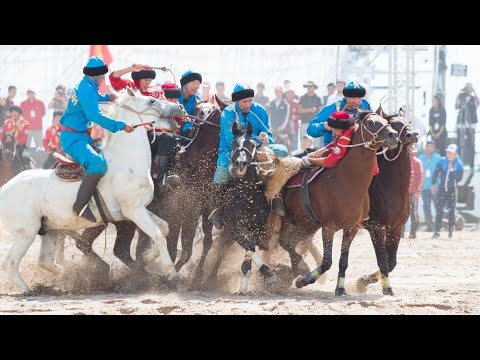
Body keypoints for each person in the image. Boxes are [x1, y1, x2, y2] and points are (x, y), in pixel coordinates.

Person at [59, 56, 135, 223]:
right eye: (101, 76)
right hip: (73, 139)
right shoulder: (86, 89)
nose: (103, 79)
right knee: (98, 163)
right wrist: (121, 125)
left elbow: (93, 98)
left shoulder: (86, 86)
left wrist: (108, 97)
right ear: (94, 75)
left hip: (80, 135)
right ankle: (79, 206)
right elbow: (95, 115)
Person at [210, 84, 289, 229]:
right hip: (231, 149)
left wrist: (265, 141)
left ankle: (276, 197)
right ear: (236, 102)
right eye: (244, 102)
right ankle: (215, 208)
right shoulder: (228, 113)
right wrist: (255, 143)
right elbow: (231, 138)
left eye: (250, 100)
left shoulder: (260, 110)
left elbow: (268, 134)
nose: (248, 104)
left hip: (258, 148)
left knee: (281, 151)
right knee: (222, 169)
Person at [302, 111, 378, 176]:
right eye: (332, 129)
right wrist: (323, 149)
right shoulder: (353, 126)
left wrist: (309, 160)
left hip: (365, 173)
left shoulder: (344, 140)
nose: (334, 132)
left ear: (343, 127)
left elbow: (329, 162)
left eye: (335, 129)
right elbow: (336, 141)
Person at [307, 81, 371, 147]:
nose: (356, 101)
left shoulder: (365, 105)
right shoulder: (332, 108)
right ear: (346, 97)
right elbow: (310, 129)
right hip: (334, 149)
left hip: (360, 149)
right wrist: (325, 126)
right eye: (352, 98)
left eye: (359, 98)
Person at [431, 143, 464, 239]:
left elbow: (459, 179)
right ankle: (437, 231)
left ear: (456, 154)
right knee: (439, 210)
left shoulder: (459, 164)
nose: (449, 154)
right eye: (448, 152)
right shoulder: (441, 161)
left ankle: (450, 231)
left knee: (452, 211)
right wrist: (433, 184)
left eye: (451, 153)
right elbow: (436, 173)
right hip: (441, 189)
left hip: (452, 190)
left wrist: (452, 170)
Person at [418, 140, 441, 231]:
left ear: (434, 148)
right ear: (425, 147)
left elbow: (439, 174)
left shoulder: (438, 158)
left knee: (437, 206)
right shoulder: (420, 158)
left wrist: (435, 185)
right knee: (426, 206)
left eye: (431, 146)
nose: (429, 148)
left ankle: (438, 226)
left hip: (435, 187)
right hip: (424, 187)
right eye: (428, 146)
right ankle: (430, 226)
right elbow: (419, 174)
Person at [455, 83, 478, 168]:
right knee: (459, 143)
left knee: (471, 144)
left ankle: (472, 163)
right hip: (461, 124)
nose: (468, 90)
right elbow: (456, 106)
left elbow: (477, 103)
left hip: (471, 124)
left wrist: (474, 91)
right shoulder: (461, 98)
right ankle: (458, 162)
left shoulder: (473, 98)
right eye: (467, 89)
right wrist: (459, 94)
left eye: (470, 89)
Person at [407, 152, 424, 239]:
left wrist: (417, 191)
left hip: (413, 192)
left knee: (413, 212)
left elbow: (420, 177)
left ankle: (413, 232)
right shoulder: (404, 161)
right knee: (402, 212)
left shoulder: (417, 162)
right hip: (404, 192)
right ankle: (401, 232)